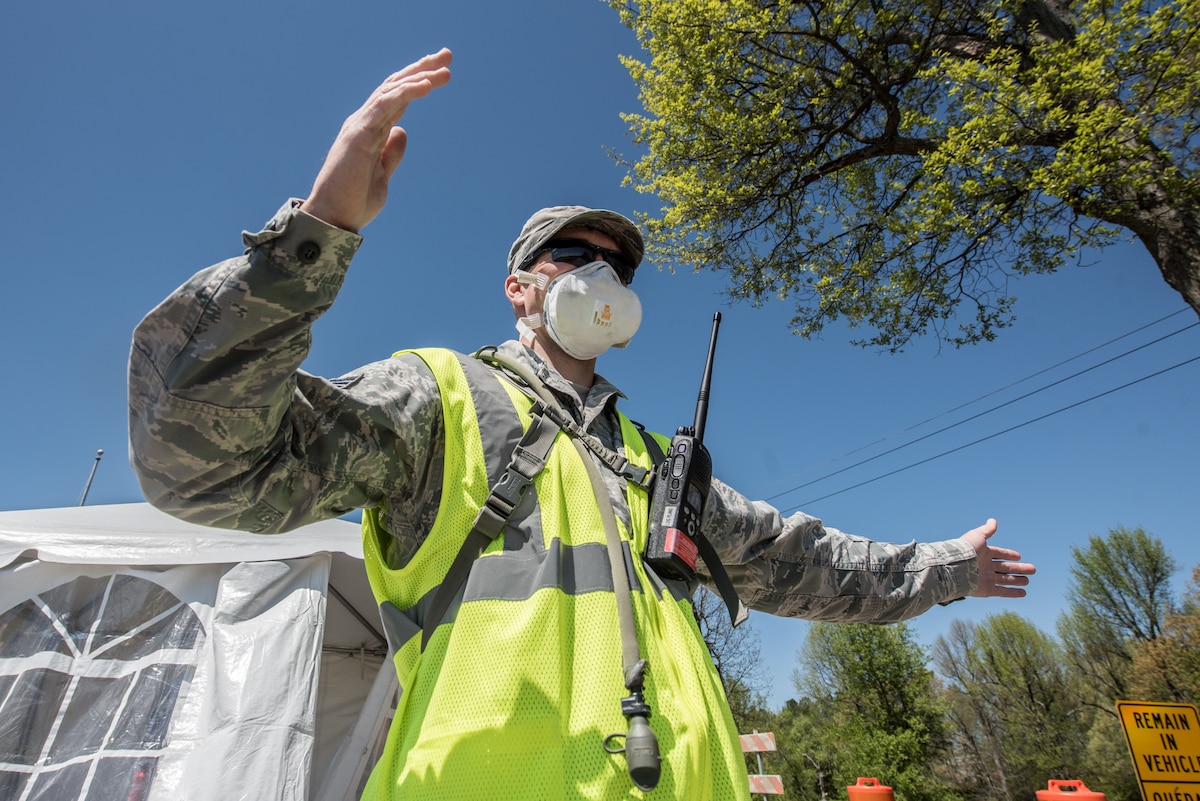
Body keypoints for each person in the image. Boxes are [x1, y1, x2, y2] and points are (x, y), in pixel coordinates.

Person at [128, 48, 1035, 801]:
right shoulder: (440, 403)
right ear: (520, 287)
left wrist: (949, 567)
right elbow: (203, 460)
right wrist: (316, 236)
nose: (603, 275)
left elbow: (805, 563)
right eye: (575, 256)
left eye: (618, 265)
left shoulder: (654, 465)